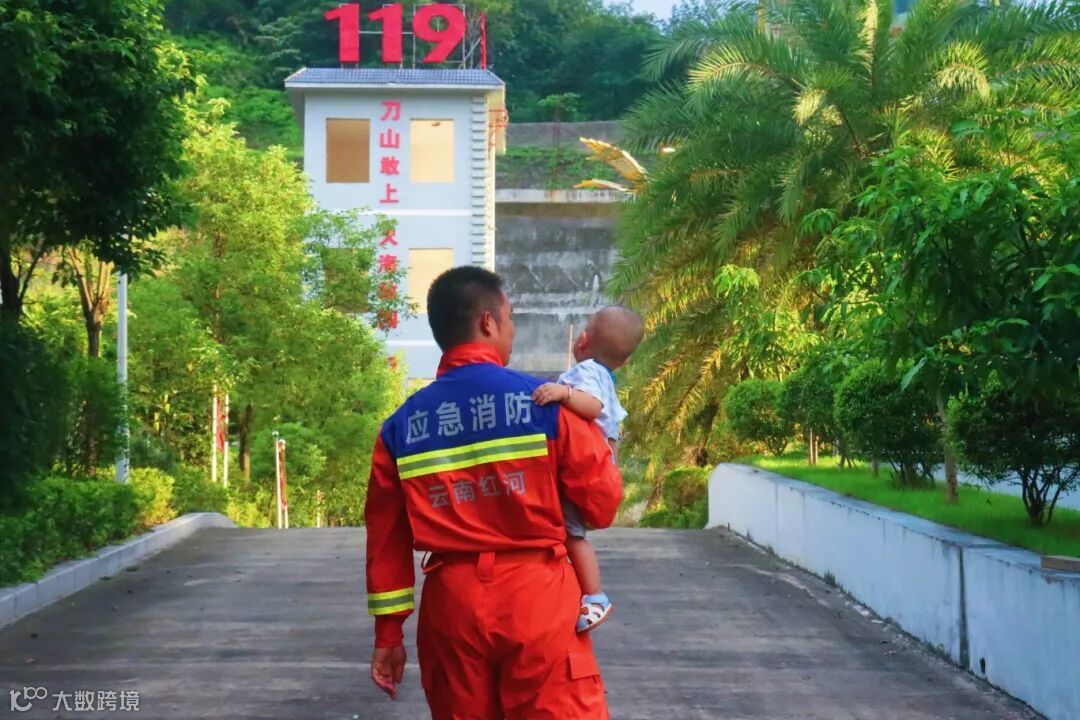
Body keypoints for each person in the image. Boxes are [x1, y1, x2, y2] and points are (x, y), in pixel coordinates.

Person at [364, 266, 623, 719]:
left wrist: (388, 634)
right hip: (538, 598)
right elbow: (602, 505)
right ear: (488, 322)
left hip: (452, 607)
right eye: (510, 319)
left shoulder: (400, 428)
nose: (512, 330)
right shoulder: (547, 403)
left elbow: (386, 540)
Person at [532, 306, 644, 633]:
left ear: (582, 340)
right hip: (597, 470)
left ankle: (595, 596)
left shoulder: (587, 372)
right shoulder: (604, 375)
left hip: (588, 469)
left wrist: (564, 393)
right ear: (625, 361)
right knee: (569, 531)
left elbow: (593, 406)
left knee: (572, 535)